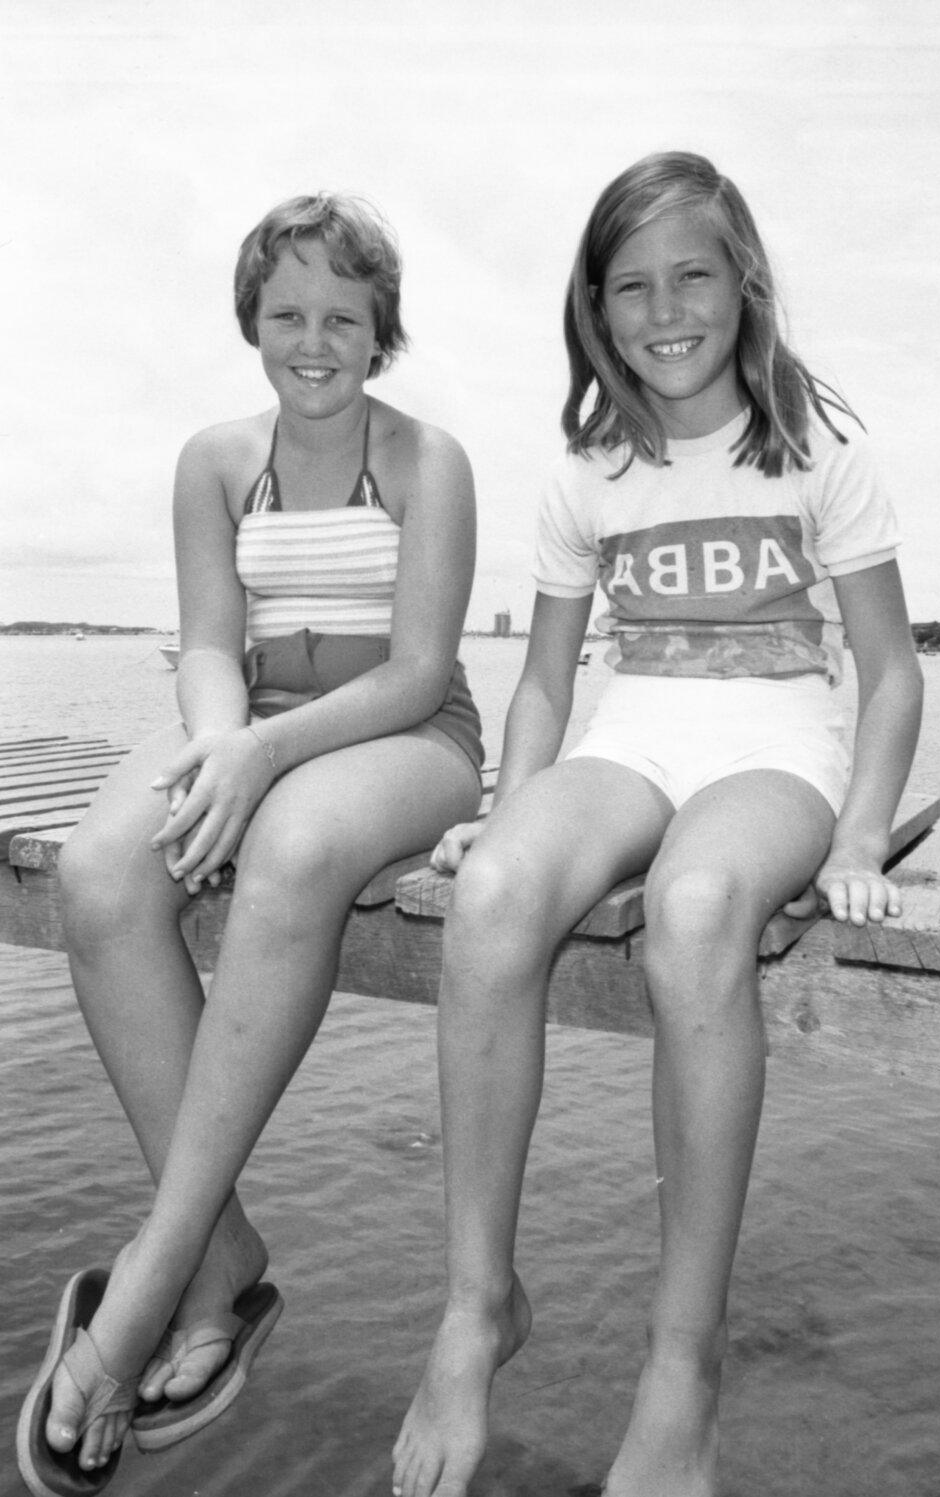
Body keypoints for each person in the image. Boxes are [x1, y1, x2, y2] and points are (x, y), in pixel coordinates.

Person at [391, 151, 923, 1497]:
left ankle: (683, 1362)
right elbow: (554, 680)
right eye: (630, 284)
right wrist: (505, 801)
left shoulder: (818, 450)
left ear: (744, 280)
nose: (663, 306)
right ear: (594, 305)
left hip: (773, 747)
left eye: (692, 273)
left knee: (694, 909)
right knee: (500, 890)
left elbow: (894, 668)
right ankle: (474, 1306)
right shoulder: (589, 472)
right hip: (635, 735)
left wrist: (860, 833)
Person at [17, 191, 483, 1496]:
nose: (315, 337)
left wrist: (264, 759)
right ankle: (220, 1250)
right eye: (289, 311)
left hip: (403, 738)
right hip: (252, 725)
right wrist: (223, 743)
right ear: (252, 320)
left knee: (284, 851)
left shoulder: (426, 461)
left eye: (344, 313)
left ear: (380, 324)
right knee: (104, 868)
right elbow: (212, 643)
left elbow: (417, 670)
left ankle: (159, 1273)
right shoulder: (217, 461)